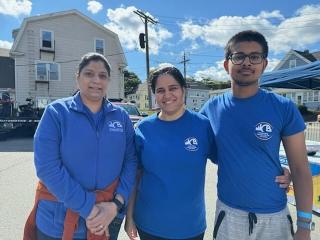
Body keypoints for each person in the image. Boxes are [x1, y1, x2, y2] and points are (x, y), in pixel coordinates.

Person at [124, 66, 291, 240]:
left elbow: (234, 160)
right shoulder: (143, 129)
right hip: (149, 224)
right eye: (160, 90)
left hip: (190, 227)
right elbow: (135, 177)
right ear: (155, 95)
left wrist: (279, 170)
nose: (167, 95)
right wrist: (130, 217)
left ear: (184, 90)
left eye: (173, 88)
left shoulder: (203, 125)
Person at [200, 30, 313, 240]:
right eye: (239, 56)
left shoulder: (283, 107)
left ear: (264, 64)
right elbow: (189, 143)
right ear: (227, 64)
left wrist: (305, 226)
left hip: (274, 217)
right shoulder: (211, 109)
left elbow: (300, 168)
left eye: (255, 57)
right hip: (229, 215)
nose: (247, 63)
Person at [23, 52, 137, 240]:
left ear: (108, 81)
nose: (96, 80)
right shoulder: (57, 112)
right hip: (57, 219)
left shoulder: (121, 117)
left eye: (102, 76)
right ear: (77, 78)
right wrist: (89, 209)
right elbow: (47, 167)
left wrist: (116, 204)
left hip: (108, 215)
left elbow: (130, 161)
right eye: (89, 73)